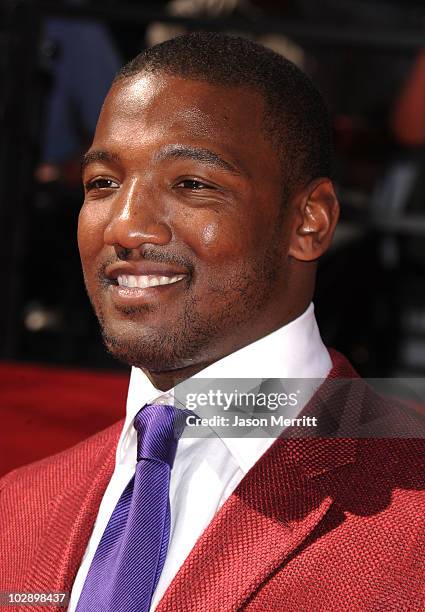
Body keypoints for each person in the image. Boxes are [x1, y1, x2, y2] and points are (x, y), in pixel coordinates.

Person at [1, 32, 424, 612]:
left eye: (192, 185)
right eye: (103, 183)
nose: (125, 227)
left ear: (309, 223)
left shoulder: (411, 513)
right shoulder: (19, 507)